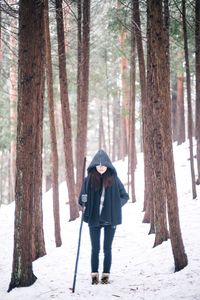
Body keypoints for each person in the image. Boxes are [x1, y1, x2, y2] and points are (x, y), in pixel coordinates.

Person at [79, 149, 129, 285]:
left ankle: (105, 275)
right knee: (95, 249)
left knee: (107, 249)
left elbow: (125, 196)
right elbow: (81, 199)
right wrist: (83, 202)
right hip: (94, 219)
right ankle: (94, 275)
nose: (101, 168)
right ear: (95, 165)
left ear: (107, 165)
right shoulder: (88, 179)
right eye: (98, 165)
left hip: (109, 220)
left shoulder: (113, 179)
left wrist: (116, 207)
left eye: (103, 165)